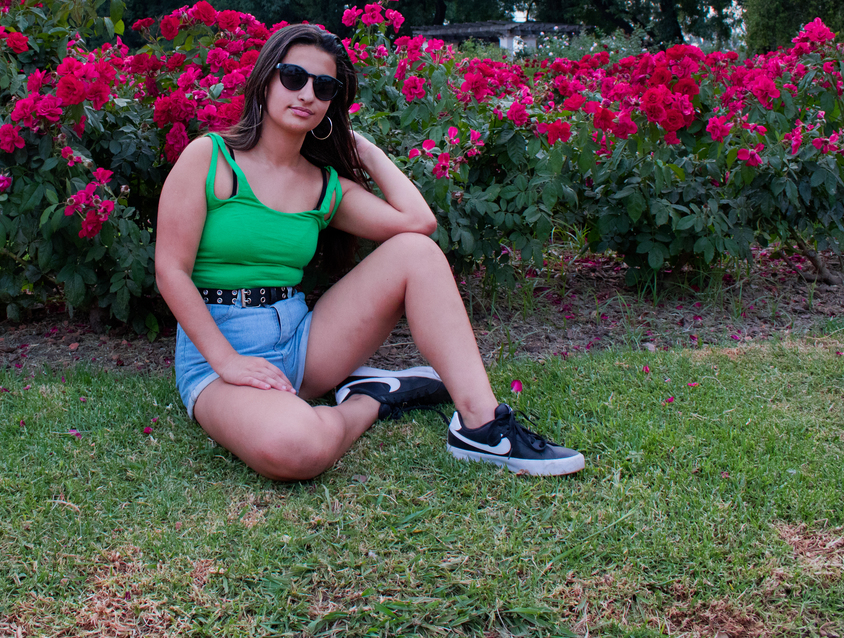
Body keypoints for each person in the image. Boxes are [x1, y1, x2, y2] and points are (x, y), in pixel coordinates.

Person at [155, 23, 584, 480]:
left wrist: (364, 148)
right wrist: (228, 361)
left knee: (415, 252)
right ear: (266, 80)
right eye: (294, 77)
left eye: (324, 87)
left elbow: (419, 225)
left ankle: (481, 427)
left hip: (301, 343)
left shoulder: (323, 186)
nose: (306, 94)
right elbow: (170, 270)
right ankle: (371, 398)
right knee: (295, 448)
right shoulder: (211, 157)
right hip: (217, 354)